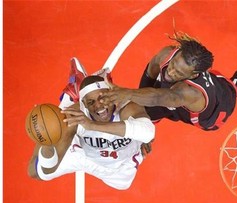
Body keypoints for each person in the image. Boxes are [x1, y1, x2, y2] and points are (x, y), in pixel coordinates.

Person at [99, 32, 237, 131]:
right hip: (172, 96)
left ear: (193, 75)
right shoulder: (168, 53)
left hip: (215, 112)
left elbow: (159, 97)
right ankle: (147, 117)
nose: (171, 71)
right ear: (176, 53)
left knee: (235, 87)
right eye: (174, 64)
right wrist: (139, 100)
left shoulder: (189, 92)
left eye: (178, 72)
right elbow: (152, 68)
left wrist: (129, 94)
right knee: (140, 108)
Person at [27, 58, 155, 190]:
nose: (98, 105)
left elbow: (149, 132)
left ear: (112, 94)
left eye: (102, 97)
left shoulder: (127, 107)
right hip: (85, 156)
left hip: (119, 164)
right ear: (85, 105)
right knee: (35, 172)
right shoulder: (76, 117)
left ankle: (77, 90)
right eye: (91, 102)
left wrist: (92, 125)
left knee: (123, 185)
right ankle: (69, 100)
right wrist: (48, 140)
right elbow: (49, 168)